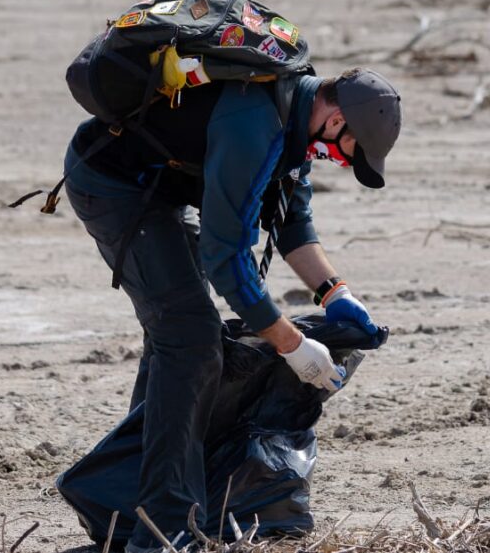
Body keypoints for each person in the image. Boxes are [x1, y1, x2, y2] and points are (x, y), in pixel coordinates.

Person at [62, 66, 402, 552]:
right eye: (351, 152)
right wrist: (293, 345)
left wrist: (335, 292)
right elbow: (226, 259)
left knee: (179, 338)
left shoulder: (292, 122)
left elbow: (291, 222)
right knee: (191, 339)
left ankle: (122, 501)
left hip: (162, 189)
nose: (343, 162)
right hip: (113, 185)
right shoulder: (254, 125)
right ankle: (163, 528)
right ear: (336, 121)